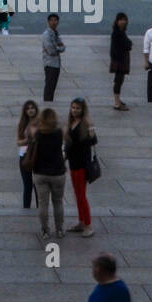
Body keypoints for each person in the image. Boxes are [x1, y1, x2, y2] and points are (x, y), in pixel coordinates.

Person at [28, 106, 66, 240]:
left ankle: (45, 230)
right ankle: (60, 229)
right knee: (58, 202)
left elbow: (31, 131)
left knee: (43, 203)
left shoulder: (38, 134)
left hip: (40, 173)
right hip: (58, 172)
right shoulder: (59, 133)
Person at [65, 97, 97, 236]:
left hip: (81, 165)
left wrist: (91, 130)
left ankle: (88, 225)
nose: (74, 110)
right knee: (78, 195)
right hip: (73, 164)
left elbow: (92, 141)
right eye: (73, 107)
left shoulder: (84, 123)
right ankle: (81, 222)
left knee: (82, 196)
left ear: (83, 109)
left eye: (77, 108)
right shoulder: (72, 122)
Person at [17, 100, 39, 209]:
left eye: (32, 108)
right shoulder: (22, 124)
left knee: (38, 185)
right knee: (27, 185)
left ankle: (41, 209)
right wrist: (28, 140)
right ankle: (26, 208)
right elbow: (18, 142)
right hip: (24, 156)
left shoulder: (40, 123)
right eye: (28, 108)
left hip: (37, 156)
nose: (30, 110)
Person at [109, 12, 132, 110]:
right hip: (120, 60)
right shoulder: (117, 33)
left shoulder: (120, 32)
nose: (123, 22)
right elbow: (125, 45)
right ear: (117, 21)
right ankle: (116, 103)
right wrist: (129, 43)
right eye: (121, 20)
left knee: (119, 80)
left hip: (121, 60)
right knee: (118, 81)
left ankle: (118, 100)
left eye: (124, 20)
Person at [42, 14, 65, 101]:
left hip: (56, 64)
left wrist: (57, 48)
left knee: (53, 86)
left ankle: (49, 101)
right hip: (50, 63)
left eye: (55, 20)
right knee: (49, 86)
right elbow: (51, 50)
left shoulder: (56, 33)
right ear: (48, 22)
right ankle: (47, 102)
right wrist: (58, 48)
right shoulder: (46, 35)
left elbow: (63, 47)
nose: (54, 22)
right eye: (51, 20)